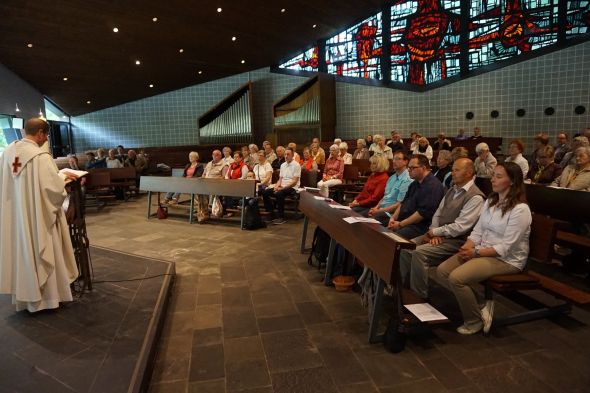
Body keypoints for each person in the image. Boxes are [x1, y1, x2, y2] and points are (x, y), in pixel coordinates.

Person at [437, 162, 532, 335]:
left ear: (512, 181)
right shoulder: (491, 201)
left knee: (457, 278)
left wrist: (475, 252)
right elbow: (478, 230)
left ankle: (474, 321)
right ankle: (481, 303)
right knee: (443, 271)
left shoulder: (520, 209)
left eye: (498, 176)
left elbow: (505, 247)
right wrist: (468, 246)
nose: (492, 179)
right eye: (493, 175)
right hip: (482, 250)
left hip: (506, 260)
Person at [0, 117, 79, 312]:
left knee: (26, 254)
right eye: (46, 135)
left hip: (19, 218)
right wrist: (62, 179)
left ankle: (28, 299)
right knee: (44, 251)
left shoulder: (8, 153)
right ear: (41, 134)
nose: (46, 140)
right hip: (39, 219)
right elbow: (52, 190)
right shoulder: (40, 157)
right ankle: (49, 299)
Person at [399, 158, 485, 299]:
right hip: (439, 234)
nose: (452, 173)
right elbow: (438, 213)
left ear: (469, 173)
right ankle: (403, 288)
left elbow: (461, 227)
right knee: (405, 247)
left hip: (458, 241)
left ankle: (419, 296)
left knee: (418, 253)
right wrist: (434, 232)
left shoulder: (475, 197)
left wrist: (435, 232)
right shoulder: (452, 190)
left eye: (456, 170)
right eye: (452, 170)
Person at [387, 154, 445, 239]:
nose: (409, 170)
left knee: (392, 238)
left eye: (412, 168)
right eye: (408, 168)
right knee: (380, 228)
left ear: (424, 168)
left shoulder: (433, 186)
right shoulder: (415, 183)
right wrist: (392, 218)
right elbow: (403, 203)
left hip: (419, 226)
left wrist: (400, 224)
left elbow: (421, 214)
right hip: (405, 221)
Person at [368, 151, 413, 225]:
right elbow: (385, 197)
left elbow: (399, 205)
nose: (394, 161)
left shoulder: (407, 179)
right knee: (361, 216)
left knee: (369, 223)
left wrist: (378, 211)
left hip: (391, 214)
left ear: (405, 162)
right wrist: (376, 207)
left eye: (398, 159)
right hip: (382, 210)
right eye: (394, 159)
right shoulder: (391, 178)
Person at [262, 147, 301, 224]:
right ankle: (271, 213)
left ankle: (281, 217)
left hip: (292, 187)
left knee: (280, 193)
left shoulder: (296, 165)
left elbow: (294, 181)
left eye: (288, 154)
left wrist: (282, 188)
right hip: (282, 186)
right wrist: (276, 186)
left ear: (292, 155)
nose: (286, 156)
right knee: (265, 192)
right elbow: (280, 179)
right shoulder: (283, 165)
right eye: (285, 154)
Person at [195, 150, 226, 223]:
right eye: (213, 154)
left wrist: (213, 180)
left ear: (220, 156)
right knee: (199, 192)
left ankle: (204, 213)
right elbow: (204, 174)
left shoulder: (224, 164)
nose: (214, 156)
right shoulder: (209, 163)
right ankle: (203, 212)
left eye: (217, 155)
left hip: (217, 185)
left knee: (204, 193)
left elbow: (224, 177)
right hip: (206, 185)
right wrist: (202, 178)